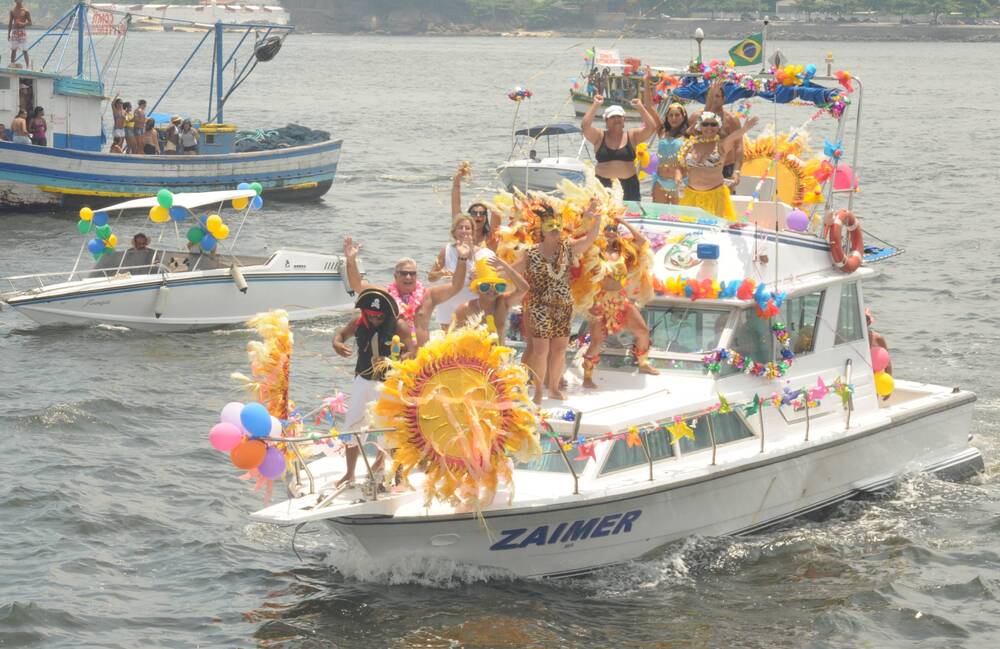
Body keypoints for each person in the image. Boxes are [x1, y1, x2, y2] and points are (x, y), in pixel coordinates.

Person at [512, 200, 601, 404]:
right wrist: (488, 270)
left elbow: (590, 240)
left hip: (563, 306)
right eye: (550, 226)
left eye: (558, 226)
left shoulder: (567, 249)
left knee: (560, 349)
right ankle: (537, 392)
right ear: (542, 229)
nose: (555, 230)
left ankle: (552, 388)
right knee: (541, 350)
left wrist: (596, 221)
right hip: (539, 307)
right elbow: (511, 270)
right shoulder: (531, 252)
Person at [331, 287, 412, 487]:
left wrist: (394, 361)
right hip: (363, 380)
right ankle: (350, 473)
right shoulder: (358, 322)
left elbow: (412, 349)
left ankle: (398, 476)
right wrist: (337, 344)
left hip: (388, 384)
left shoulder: (399, 326)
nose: (375, 318)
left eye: (379, 315)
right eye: (371, 314)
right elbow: (340, 335)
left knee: (390, 430)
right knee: (352, 426)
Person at [343, 236, 470, 349]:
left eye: (412, 273)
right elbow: (357, 285)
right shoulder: (386, 296)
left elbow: (456, 286)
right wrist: (351, 261)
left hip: (421, 359)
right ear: (395, 276)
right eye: (403, 273)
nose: (408, 277)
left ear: (416, 276)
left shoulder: (429, 295)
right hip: (393, 357)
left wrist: (462, 258)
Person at [582, 216, 659, 388]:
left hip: (621, 299)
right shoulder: (593, 251)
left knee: (642, 331)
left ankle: (643, 364)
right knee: (596, 341)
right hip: (599, 302)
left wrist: (623, 223)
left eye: (613, 230)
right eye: (606, 230)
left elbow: (641, 240)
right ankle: (587, 376)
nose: (610, 233)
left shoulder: (624, 252)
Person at [676, 112, 758, 220]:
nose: (709, 127)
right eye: (706, 124)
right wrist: (677, 177)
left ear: (718, 127)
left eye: (713, 124)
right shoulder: (690, 145)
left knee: (713, 231)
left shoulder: (721, 145)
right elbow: (680, 166)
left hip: (714, 197)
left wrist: (744, 129)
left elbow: (734, 137)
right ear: (700, 126)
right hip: (691, 196)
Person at [580, 95, 659, 202]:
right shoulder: (599, 136)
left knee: (629, 217)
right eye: (612, 117)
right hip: (603, 186)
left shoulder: (632, 135)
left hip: (629, 186)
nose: (616, 119)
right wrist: (595, 105)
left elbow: (652, 127)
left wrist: (641, 108)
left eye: (619, 116)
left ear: (624, 120)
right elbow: (585, 127)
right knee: (603, 216)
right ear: (606, 121)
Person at [428, 214, 494, 331]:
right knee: (447, 342)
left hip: (472, 302)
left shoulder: (485, 254)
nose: (464, 231)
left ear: (473, 232)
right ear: (454, 232)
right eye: (460, 227)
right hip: (449, 301)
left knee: (471, 339)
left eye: (467, 228)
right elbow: (431, 277)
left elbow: (494, 284)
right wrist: (440, 273)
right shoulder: (446, 250)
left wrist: (481, 278)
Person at [452, 256, 529, 345]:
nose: (492, 290)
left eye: (498, 286)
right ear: (477, 288)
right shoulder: (465, 309)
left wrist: (507, 268)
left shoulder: (503, 303)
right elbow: (454, 340)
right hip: (475, 357)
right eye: (485, 286)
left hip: (499, 356)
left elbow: (524, 289)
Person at [687, 79, 745, 189]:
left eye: (717, 96)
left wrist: (736, 171)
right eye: (711, 96)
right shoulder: (696, 117)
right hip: (699, 166)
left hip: (726, 167)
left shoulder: (731, 119)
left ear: (723, 99)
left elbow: (739, 146)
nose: (714, 99)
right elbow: (689, 136)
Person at [451, 162, 499, 250]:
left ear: (486, 217)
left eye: (482, 213)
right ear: (469, 216)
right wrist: (457, 180)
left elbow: (497, 213)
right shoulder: (462, 234)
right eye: (474, 213)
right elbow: (455, 206)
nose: (478, 216)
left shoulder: (490, 237)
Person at [652, 102, 688, 204]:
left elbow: (705, 116)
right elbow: (650, 107)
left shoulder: (688, 134)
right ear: (667, 117)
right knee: (658, 215)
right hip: (660, 181)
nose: (673, 118)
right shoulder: (662, 131)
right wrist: (647, 85)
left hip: (679, 182)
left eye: (677, 115)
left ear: (683, 116)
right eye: (670, 115)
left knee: (679, 216)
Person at [866, 308, 891, 375]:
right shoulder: (853, 339)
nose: (865, 322)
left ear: (869, 322)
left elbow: (887, 363)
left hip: (878, 376)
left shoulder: (878, 338)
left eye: (867, 319)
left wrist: (890, 380)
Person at [8, 1, 31, 69]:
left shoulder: (25, 11)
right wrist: (8, 33)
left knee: (25, 50)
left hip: (22, 32)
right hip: (14, 32)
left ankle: (27, 66)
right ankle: (12, 65)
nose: (18, 1)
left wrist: (22, 24)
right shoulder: (12, 11)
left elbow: (30, 22)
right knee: (13, 50)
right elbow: (10, 23)